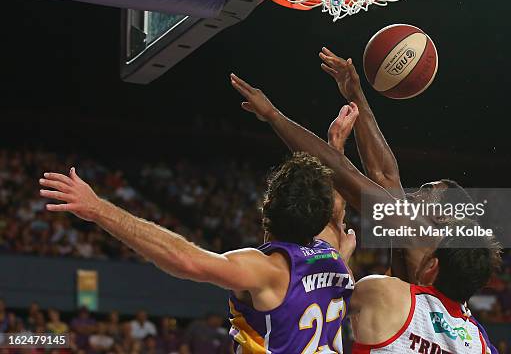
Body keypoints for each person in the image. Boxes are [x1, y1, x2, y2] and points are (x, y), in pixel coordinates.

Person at [230, 65, 502, 353]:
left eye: (426, 193)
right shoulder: (473, 331)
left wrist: (274, 116)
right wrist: (356, 96)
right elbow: (386, 176)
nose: (414, 194)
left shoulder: (416, 238)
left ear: (443, 218)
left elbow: (346, 175)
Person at [39, 151, 356, 353]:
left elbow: (184, 259)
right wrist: (336, 149)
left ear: (268, 205)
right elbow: (333, 211)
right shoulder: (333, 256)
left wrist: (98, 209)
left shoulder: (268, 270)